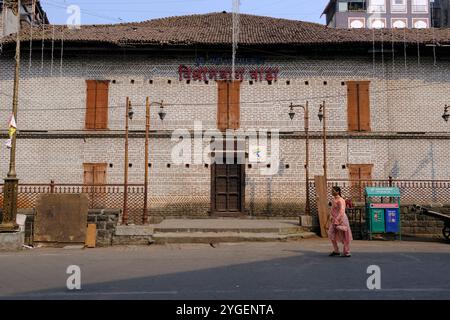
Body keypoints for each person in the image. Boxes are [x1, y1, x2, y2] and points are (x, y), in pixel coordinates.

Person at [328, 186, 353, 257]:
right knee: (331, 233)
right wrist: (331, 216)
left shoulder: (341, 200)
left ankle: (347, 252)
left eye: (333, 191)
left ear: (338, 191)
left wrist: (337, 220)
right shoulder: (333, 200)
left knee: (345, 236)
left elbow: (342, 211)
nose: (331, 192)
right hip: (334, 220)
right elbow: (333, 210)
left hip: (341, 220)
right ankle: (336, 250)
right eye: (331, 190)